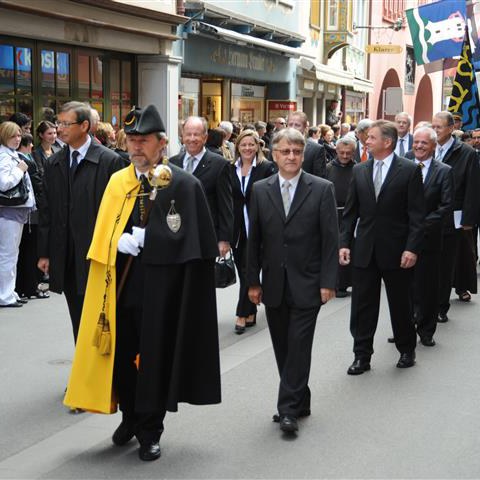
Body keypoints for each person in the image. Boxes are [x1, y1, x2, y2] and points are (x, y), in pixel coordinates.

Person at [64, 104, 221, 462]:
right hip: (120, 289)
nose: (137, 147)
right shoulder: (119, 181)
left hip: (163, 290)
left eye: (144, 140)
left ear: (161, 143)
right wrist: (116, 241)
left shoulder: (182, 183)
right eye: (132, 140)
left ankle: (151, 429)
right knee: (119, 358)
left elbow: (195, 242)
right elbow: (102, 232)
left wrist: (157, 241)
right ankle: (130, 416)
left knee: (153, 359)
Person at [247, 128, 338, 434]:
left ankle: (287, 410)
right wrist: (252, 282)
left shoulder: (322, 188)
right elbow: (254, 240)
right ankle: (301, 398)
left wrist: (328, 281)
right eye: (285, 151)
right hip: (273, 283)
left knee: (299, 346)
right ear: (273, 154)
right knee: (283, 347)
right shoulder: (260, 189)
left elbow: (330, 239)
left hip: (308, 282)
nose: (291, 157)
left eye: (297, 152)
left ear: (304, 155)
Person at [340, 120, 425, 374]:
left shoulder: (409, 170)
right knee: (362, 306)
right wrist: (344, 242)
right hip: (364, 249)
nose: (366, 141)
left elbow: (416, 215)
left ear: (387, 142)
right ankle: (361, 356)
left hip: (397, 251)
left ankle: (406, 349)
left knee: (400, 304)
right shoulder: (360, 170)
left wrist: (412, 248)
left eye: (372, 137)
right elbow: (350, 213)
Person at [37, 101, 124, 345]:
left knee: (102, 316)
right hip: (67, 253)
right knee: (78, 316)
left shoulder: (109, 161)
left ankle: (107, 376)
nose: (60, 128)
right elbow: (47, 211)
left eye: (66, 123)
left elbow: (119, 212)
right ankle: (82, 375)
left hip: (98, 254)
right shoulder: (54, 163)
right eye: (58, 123)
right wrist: (45, 253)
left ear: (85, 126)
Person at [408, 127, 454, 347]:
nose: (418, 146)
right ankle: (405, 326)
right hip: (404, 238)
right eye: (416, 142)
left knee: (427, 286)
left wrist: (421, 226)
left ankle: (426, 329)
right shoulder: (404, 165)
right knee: (405, 287)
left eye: (424, 143)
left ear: (434, 146)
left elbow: (446, 206)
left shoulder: (444, 171)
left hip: (429, 238)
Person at [432, 111, 479, 320]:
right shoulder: (427, 147)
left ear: (451, 129)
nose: (434, 131)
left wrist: (469, 219)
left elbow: (472, 187)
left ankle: (441, 307)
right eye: (432, 127)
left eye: (438, 127)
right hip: (429, 215)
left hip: (454, 215)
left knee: (446, 263)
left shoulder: (466, 152)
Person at [231, 129, 276, 334]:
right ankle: (250, 309)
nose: (247, 148)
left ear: (258, 146)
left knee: (251, 268)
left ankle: (242, 313)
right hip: (238, 229)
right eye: (243, 145)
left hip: (260, 228)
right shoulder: (231, 168)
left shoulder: (267, 168)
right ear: (237, 147)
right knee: (244, 270)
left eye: (251, 144)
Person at [169, 116, 233, 257]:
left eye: (196, 134)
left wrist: (224, 239)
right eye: (188, 134)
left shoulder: (219, 164)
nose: (192, 139)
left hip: (206, 236)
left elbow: (226, 205)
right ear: (182, 136)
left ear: (205, 137)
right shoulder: (172, 164)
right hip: (177, 235)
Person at [0, 122, 35, 307]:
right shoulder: (4, 156)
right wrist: (20, 170)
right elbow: (4, 183)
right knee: (8, 254)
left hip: (13, 212)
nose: (18, 139)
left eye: (19, 135)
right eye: (13, 136)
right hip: (9, 212)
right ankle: (5, 295)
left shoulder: (10, 154)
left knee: (11, 254)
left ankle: (9, 293)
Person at [15, 133, 47, 300]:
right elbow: (37, 185)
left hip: (19, 212)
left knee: (20, 252)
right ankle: (30, 287)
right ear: (27, 146)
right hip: (31, 213)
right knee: (30, 251)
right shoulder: (27, 161)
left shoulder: (13, 159)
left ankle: (21, 286)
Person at [325, 137, 356, 297]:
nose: (344, 156)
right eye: (341, 152)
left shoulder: (359, 169)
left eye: (348, 153)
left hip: (350, 214)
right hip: (332, 213)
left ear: (353, 153)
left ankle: (344, 284)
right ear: (336, 151)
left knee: (347, 247)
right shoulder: (328, 168)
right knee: (332, 248)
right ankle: (333, 283)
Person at [286, 111, 326, 178]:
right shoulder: (276, 146)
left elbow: (319, 177)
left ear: (305, 128)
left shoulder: (316, 149)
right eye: (290, 124)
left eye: (297, 125)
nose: (293, 128)